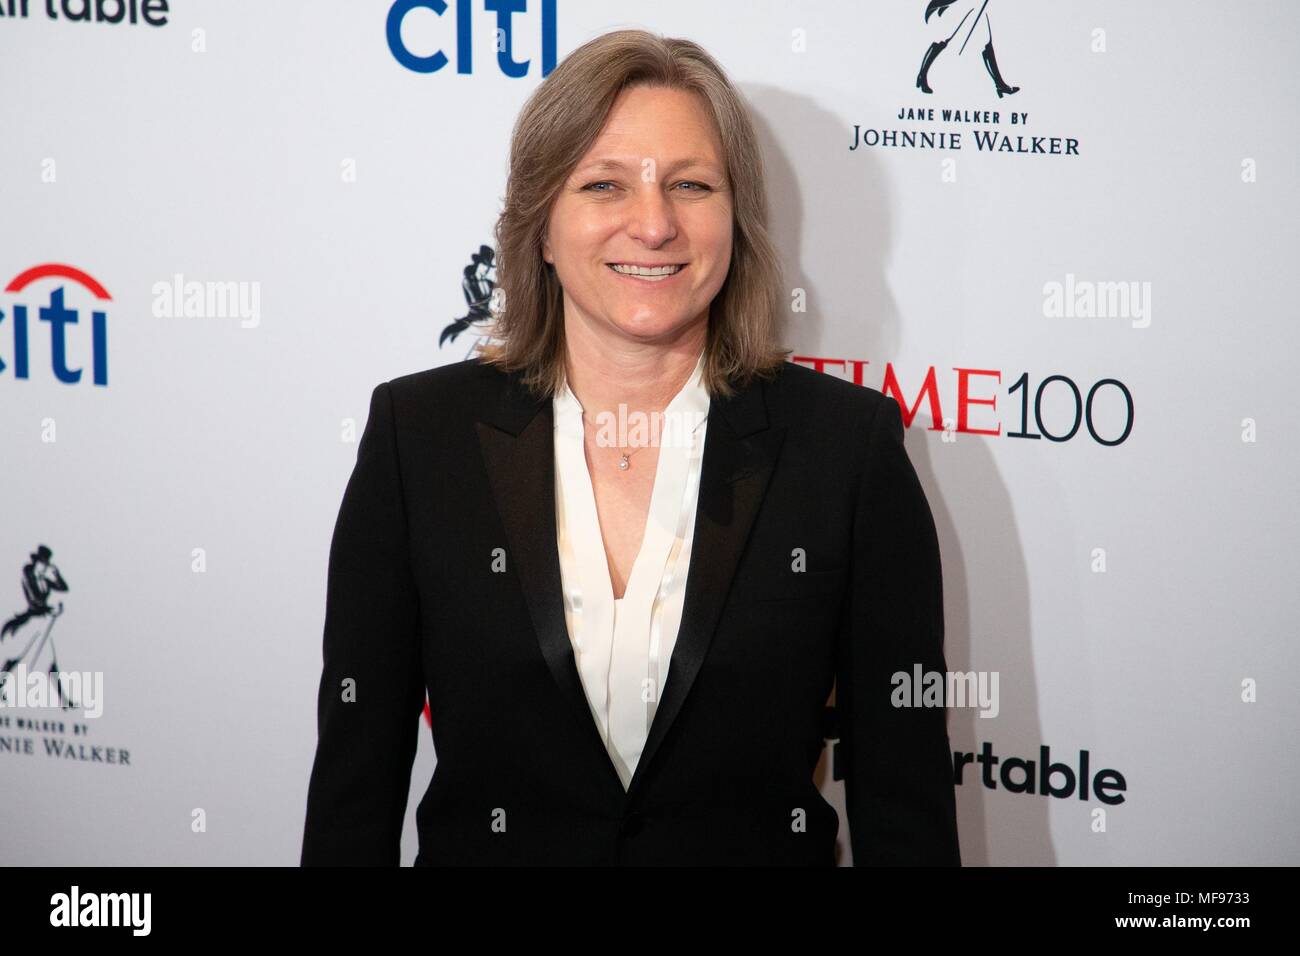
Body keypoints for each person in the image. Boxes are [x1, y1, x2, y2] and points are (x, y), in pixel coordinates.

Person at [301, 28, 960, 866]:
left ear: (737, 220)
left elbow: (904, 807)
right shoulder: (417, 438)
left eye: (690, 184)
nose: (653, 225)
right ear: (540, 227)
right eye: (604, 185)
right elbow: (353, 796)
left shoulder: (848, 450)